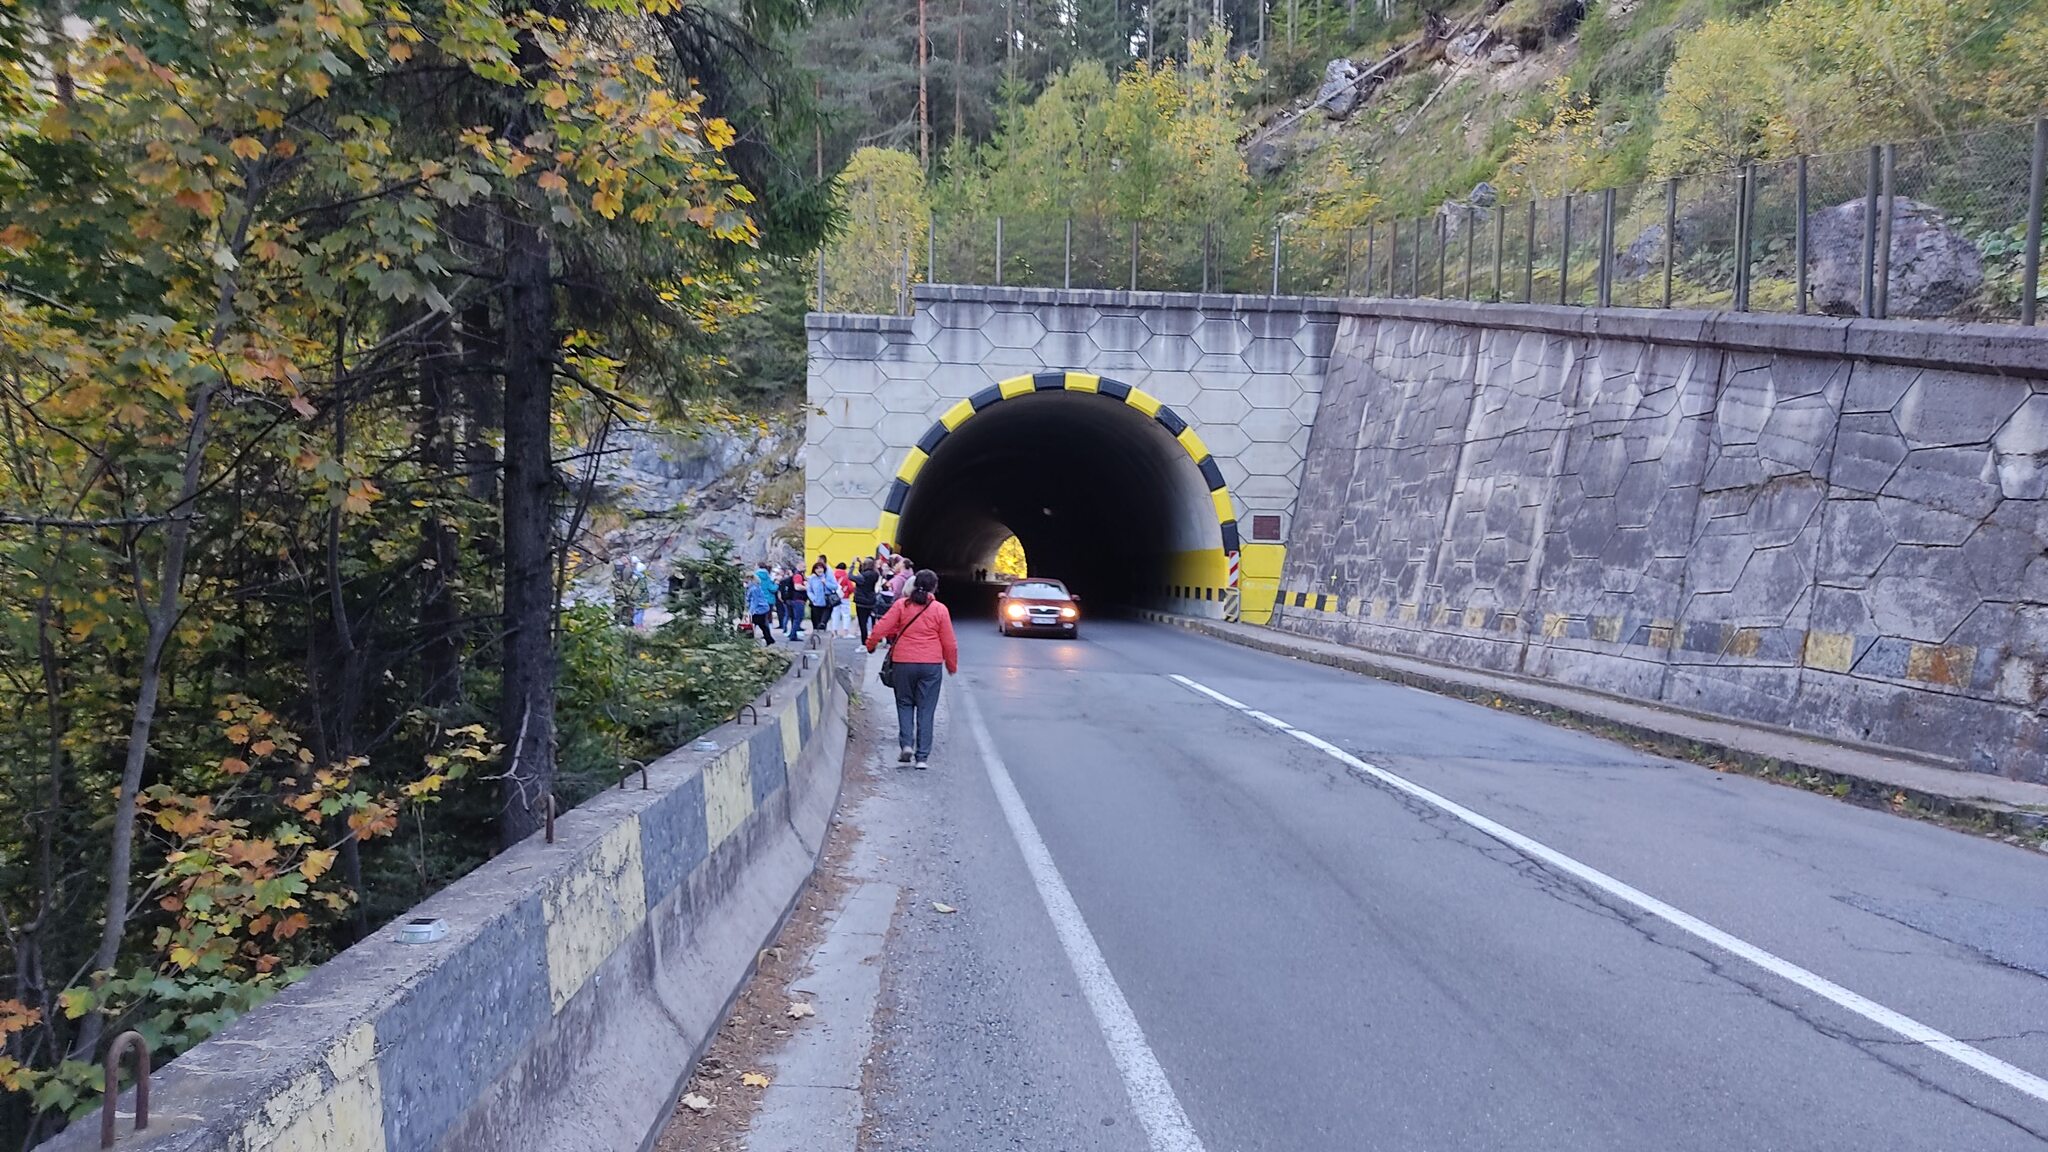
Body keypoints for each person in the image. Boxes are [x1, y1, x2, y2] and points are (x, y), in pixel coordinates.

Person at [865, 569, 957, 769]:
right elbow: (949, 642)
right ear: (934, 587)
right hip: (931, 665)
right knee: (926, 710)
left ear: (914, 584)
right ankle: (922, 757)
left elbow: (882, 627)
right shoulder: (940, 609)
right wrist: (951, 665)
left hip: (903, 663)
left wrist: (870, 645)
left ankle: (907, 745)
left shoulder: (901, 605)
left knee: (905, 704)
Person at [745, 567, 778, 645]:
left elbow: (755, 601)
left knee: (754, 624)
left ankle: (749, 640)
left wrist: (750, 611)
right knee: (762, 625)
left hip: (759, 609)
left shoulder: (753, 588)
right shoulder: (756, 586)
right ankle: (769, 639)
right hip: (763, 607)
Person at [805, 560, 838, 637]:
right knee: (816, 623)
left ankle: (823, 636)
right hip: (816, 603)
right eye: (817, 568)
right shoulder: (812, 578)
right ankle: (816, 639)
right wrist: (813, 599)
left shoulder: (828, 576)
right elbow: (809, 590)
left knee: (823, 623)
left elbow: (835, 587)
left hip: (827, 602)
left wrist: (826, 582)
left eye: (821, 568)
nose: (819, 570)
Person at [851, 557, 880, 643]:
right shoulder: (875, 574)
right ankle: (875, 638)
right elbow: (863, 575)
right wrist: (860, 564)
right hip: (871, 601)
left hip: (861, 602)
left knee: (863, 623)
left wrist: (853, 565)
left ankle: (864, 642)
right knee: (873, 620)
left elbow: (850, 576)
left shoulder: (862, 576)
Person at [778, 566, 805, 641]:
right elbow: (797, 587)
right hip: (798, 600)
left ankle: (791, 633)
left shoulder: (786, 579)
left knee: (791, 616)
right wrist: (807, 587)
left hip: (789, 600)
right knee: (798, 618)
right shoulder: (798, 576)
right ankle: (793, 634)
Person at [831, 562, 855, 636]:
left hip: (835, 597)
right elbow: (851, 588)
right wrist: (848, 593)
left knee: (835, 613)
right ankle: (845, 632)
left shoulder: (832, 575)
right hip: (845, 597)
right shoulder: (846, 576)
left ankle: (834, 631)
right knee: (846, 614)